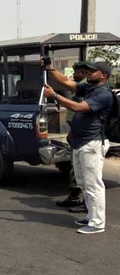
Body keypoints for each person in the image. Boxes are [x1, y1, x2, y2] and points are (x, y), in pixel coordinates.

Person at [43, 61, 114, 234]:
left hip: (92, 143)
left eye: (93, 71)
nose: (88, 73)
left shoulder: (104, 94)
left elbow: (78, 107)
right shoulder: (90, 89)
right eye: (88, 70)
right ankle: (91, 216)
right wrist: (49, 68)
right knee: (83, 182)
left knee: (93, 184)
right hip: (81, 142)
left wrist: (54, 96)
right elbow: (67, 83)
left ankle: (97, 223)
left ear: (103, 75)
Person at [55, 62, 89, 212]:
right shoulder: (82, 86)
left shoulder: (86, 89)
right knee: (76, 168)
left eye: (76, 72)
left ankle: (80, 200)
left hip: (81, 133)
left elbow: (80, 111)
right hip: (76, 131)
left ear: (83, 73)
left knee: (80, 171)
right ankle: (76, 197)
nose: (73, 75)